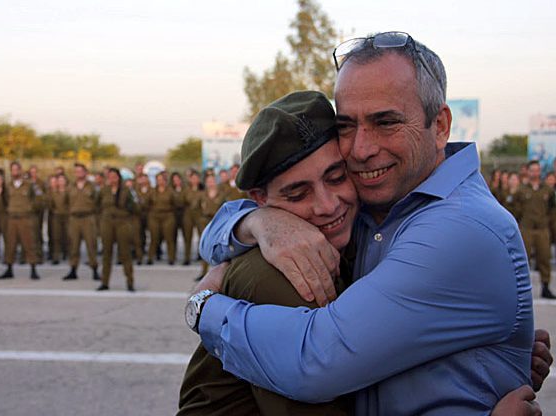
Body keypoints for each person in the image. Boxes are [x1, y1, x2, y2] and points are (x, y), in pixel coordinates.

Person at [192, 32, 542, 413]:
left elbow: (315, 362)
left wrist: (203, 307)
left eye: (385, 122)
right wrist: (259, 224)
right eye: (346, 126)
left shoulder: (462, 228)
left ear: (440, 125)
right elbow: (218, 229)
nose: (360, 149)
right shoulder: (373, 209)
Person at [179, 91, 357, 415]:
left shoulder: (373, 220)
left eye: (337, 177)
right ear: (261, 197)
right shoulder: (282, 272)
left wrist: (252, 221)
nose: (328, 205)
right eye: (298, 193)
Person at [515, 160, 555, 299]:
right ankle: (521, 289)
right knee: (523, 259)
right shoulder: (521, 190)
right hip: (526, 228)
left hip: (542, 229)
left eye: (537, 170)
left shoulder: (547, 190)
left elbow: (552, 209)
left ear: (540, 171)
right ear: (528, 172)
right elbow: (516, 210)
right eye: (532, 170)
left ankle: (545, 286)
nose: (535, 173)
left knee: (544, 258)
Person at [96, 168, 136, 292]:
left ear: (119, 177)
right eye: (110, 176)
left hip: (122, 223)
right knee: (106, 254)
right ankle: (104, 282)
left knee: (125, 254)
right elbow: (97, 205)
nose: (112, 179)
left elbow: (133, 207)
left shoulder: (125, 190)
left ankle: (130, 282)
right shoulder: (104, 190)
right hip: (107, 223)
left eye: (115, 176)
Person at [0, 161, 40, 279]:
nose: (15, 172)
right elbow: (4, 199)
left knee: (29, 244)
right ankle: (9, 269)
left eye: (17, 169)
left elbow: (36, 199)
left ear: (21, 170)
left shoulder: (29, 185)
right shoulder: (8, 185)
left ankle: (33, 269)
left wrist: (29, 209)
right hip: (12, 218)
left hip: (25, 218)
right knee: (10, 244)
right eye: (13, 170)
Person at [63, 163, 100, 281]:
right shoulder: (70, 187)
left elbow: (98, 202)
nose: (78, 173)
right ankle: (73, 270)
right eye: (76, 171)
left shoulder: (92, 186)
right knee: (73, 245)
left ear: (85, 172)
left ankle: (94, 269)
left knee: (91, 245)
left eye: (80, 171)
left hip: (88, 218)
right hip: (74, 219)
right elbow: (65, 202)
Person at [147, 172, 176, 265]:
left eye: (162, 180)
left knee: (169, 238)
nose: (160, 182)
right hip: (154, 216)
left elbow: (176, 203)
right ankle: (150, 257)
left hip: (168, 215)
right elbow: (147, 203)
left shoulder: (170, 191)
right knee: (154, 237)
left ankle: (171, 258)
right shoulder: (152, 191)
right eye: (158, 180)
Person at [181, 170, 203, 265]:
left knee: (201, 235)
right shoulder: (186, 190)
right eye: (192, 178)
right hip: (188, 214)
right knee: (187, 237)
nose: (194, 180)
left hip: (199, 214)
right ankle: (187, 257)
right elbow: (182, 201)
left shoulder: (202, 190)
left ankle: (201, 255)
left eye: (196, 178)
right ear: (190, 179)